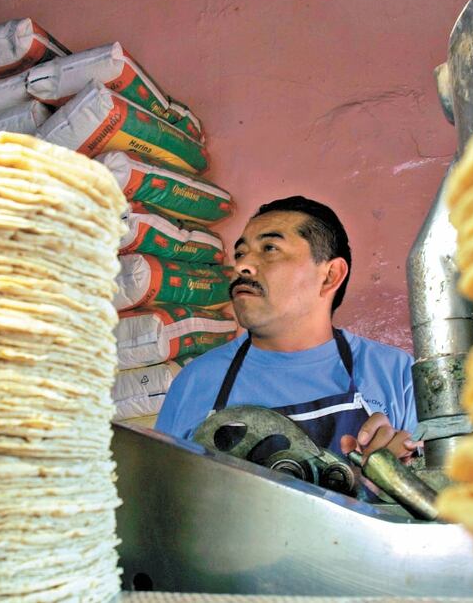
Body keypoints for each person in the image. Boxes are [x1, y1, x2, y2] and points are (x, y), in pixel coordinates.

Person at [155, 196, 417, 462]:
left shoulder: (399, 376)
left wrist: (402, 474)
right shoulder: (196, 380)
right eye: (240, 253)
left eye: (269, 248)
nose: (241, 266)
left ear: (330, 275)